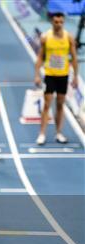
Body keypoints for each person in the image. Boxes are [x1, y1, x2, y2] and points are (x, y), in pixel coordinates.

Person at [34, 12, 78, 145]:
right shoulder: (46, 37)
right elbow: (40, 57)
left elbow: (74, 58)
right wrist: (36, 74)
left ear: (63, 22)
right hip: (50, 75)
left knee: (60, 105)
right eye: (56, 22)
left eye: (61, 22)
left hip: (63, 75)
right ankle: (42, 134)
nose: (58, 24)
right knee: (47, 104)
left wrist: (75, 76)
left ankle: (59, 133)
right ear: (52, 22)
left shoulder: (69, 37)